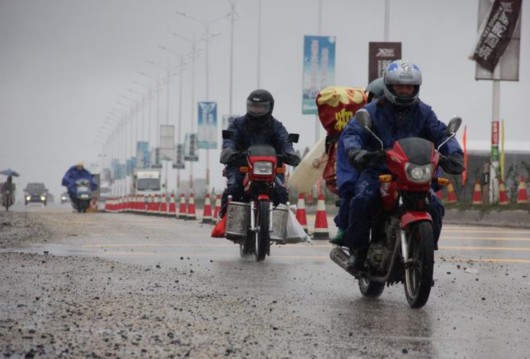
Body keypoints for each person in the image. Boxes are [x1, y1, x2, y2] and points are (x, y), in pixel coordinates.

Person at [340, 60, 465, 273]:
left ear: (416, 88)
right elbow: (353, 133)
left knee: (434, 205)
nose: (405, 91)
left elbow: (441, 133)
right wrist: (357, 151)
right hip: (379, 170)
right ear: (389, 86)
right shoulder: (371, 111)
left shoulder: (424, 112)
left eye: (409, 87)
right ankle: (358, 250)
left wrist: (454, 153)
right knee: (362, 199)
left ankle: (424, 252)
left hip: (414, 171)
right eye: (400, 86)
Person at [218, 89, 301, 218]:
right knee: (233, 187)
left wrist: (290, 152)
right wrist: (229, 150)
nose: (256, 110)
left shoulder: (276, 126)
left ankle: (283, 222)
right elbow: (230, 139)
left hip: (270, 167)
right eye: (253, 107)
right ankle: (225, 217)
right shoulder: (238, 124)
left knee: (281, 192)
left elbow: (285, 141)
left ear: (270, 107)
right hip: (241, 165)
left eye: (260, 108)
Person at [330, 77, 385, 245]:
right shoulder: (363, 118)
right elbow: (351, 140)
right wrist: (359, 155)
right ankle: (351, 239)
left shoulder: (414, 114)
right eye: (376, 97)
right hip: (367, 167)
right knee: (355, 193)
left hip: (398, 168)